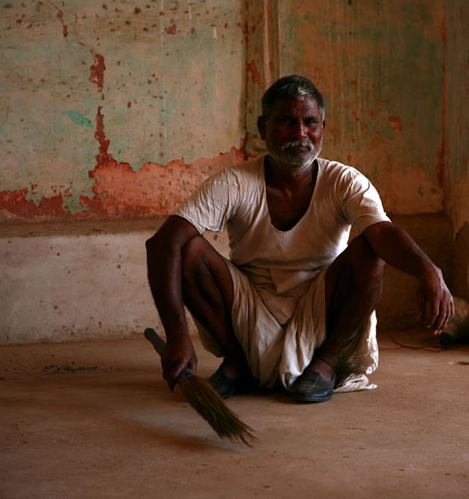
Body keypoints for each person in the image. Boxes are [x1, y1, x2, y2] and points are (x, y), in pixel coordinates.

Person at [146, 75, 453, 403]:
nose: (300, 133)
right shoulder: (234, 182)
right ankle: (238, 365)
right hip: (250, 306)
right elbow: (162, 244)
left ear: (323, 127)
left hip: (322, 303)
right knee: (189, 249)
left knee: (369, 251)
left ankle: (325, 363)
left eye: (310, 122)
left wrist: (429, 271)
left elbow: (383, 233)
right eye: (286, 122)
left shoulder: (344, 181)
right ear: (264, 129)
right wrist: (177, 335)